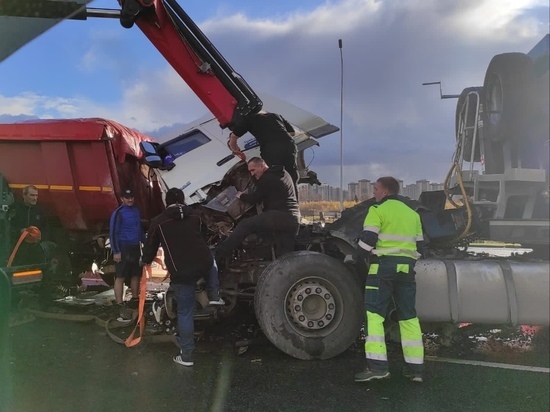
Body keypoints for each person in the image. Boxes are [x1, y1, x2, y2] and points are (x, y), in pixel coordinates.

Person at [354, 176, 425, 383]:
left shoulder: (377, 211)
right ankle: (415, 370)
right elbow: (421, 247)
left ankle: (378, 368)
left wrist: (355, 257)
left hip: (383, 267)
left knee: (375, 315)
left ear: (385, 192)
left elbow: (368, 240)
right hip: (407, 269)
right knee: (408, 317)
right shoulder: (413, 215)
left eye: (375, 189)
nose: (374, 193)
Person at [141, 188, 223, 367]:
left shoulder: (159, 222)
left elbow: (150, 248)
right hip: (202, 264)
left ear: (166, 201)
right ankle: (215, 295)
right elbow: (204, 237)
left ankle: (186, 356)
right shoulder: (195, 215)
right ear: (183, 200)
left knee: (185, 312)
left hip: (182, 272)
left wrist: (144, 261)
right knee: (210, 257)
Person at [215, 157, 300, 260]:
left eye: (253, 170)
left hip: (280, 216)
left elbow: (254, 199)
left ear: (261, 166)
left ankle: (219, 254)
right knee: (285, 257)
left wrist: (240, 195)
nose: (251, 174)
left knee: (245, 224)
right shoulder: (283, 173)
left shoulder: (266, 179)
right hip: (294, 219)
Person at [228, 111, 299, 185]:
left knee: (277, 176)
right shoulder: (275, 115)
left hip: (270, 148)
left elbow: (233, 138)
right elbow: (292, 133)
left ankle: (279, 193)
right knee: (292, 174)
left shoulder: (249, 119)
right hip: (288, 144)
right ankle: (294, 193)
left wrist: (235, 150)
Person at [109, 188, 143, 320]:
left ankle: (135, 299)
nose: (130, 200)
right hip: (123, 248)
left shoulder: (136, 211)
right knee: (120, 276)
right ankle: (119, 303)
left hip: (135, 247)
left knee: (136, 274)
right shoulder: (118, 213)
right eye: (127, 198)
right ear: (122, 199)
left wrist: (144, 244)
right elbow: (113, 233)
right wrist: (116, 251)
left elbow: (139, 229)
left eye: (132, 197)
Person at [8, 185, 48, 265]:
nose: (35, 198)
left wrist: (40, 238)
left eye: (36, 195)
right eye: (32, 195)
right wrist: (20, 231)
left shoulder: (40, 211)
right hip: (18, 248)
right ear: (24, 195)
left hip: (35, 249)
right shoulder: (15, 209)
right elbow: (8, 227)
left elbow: (46, 228)